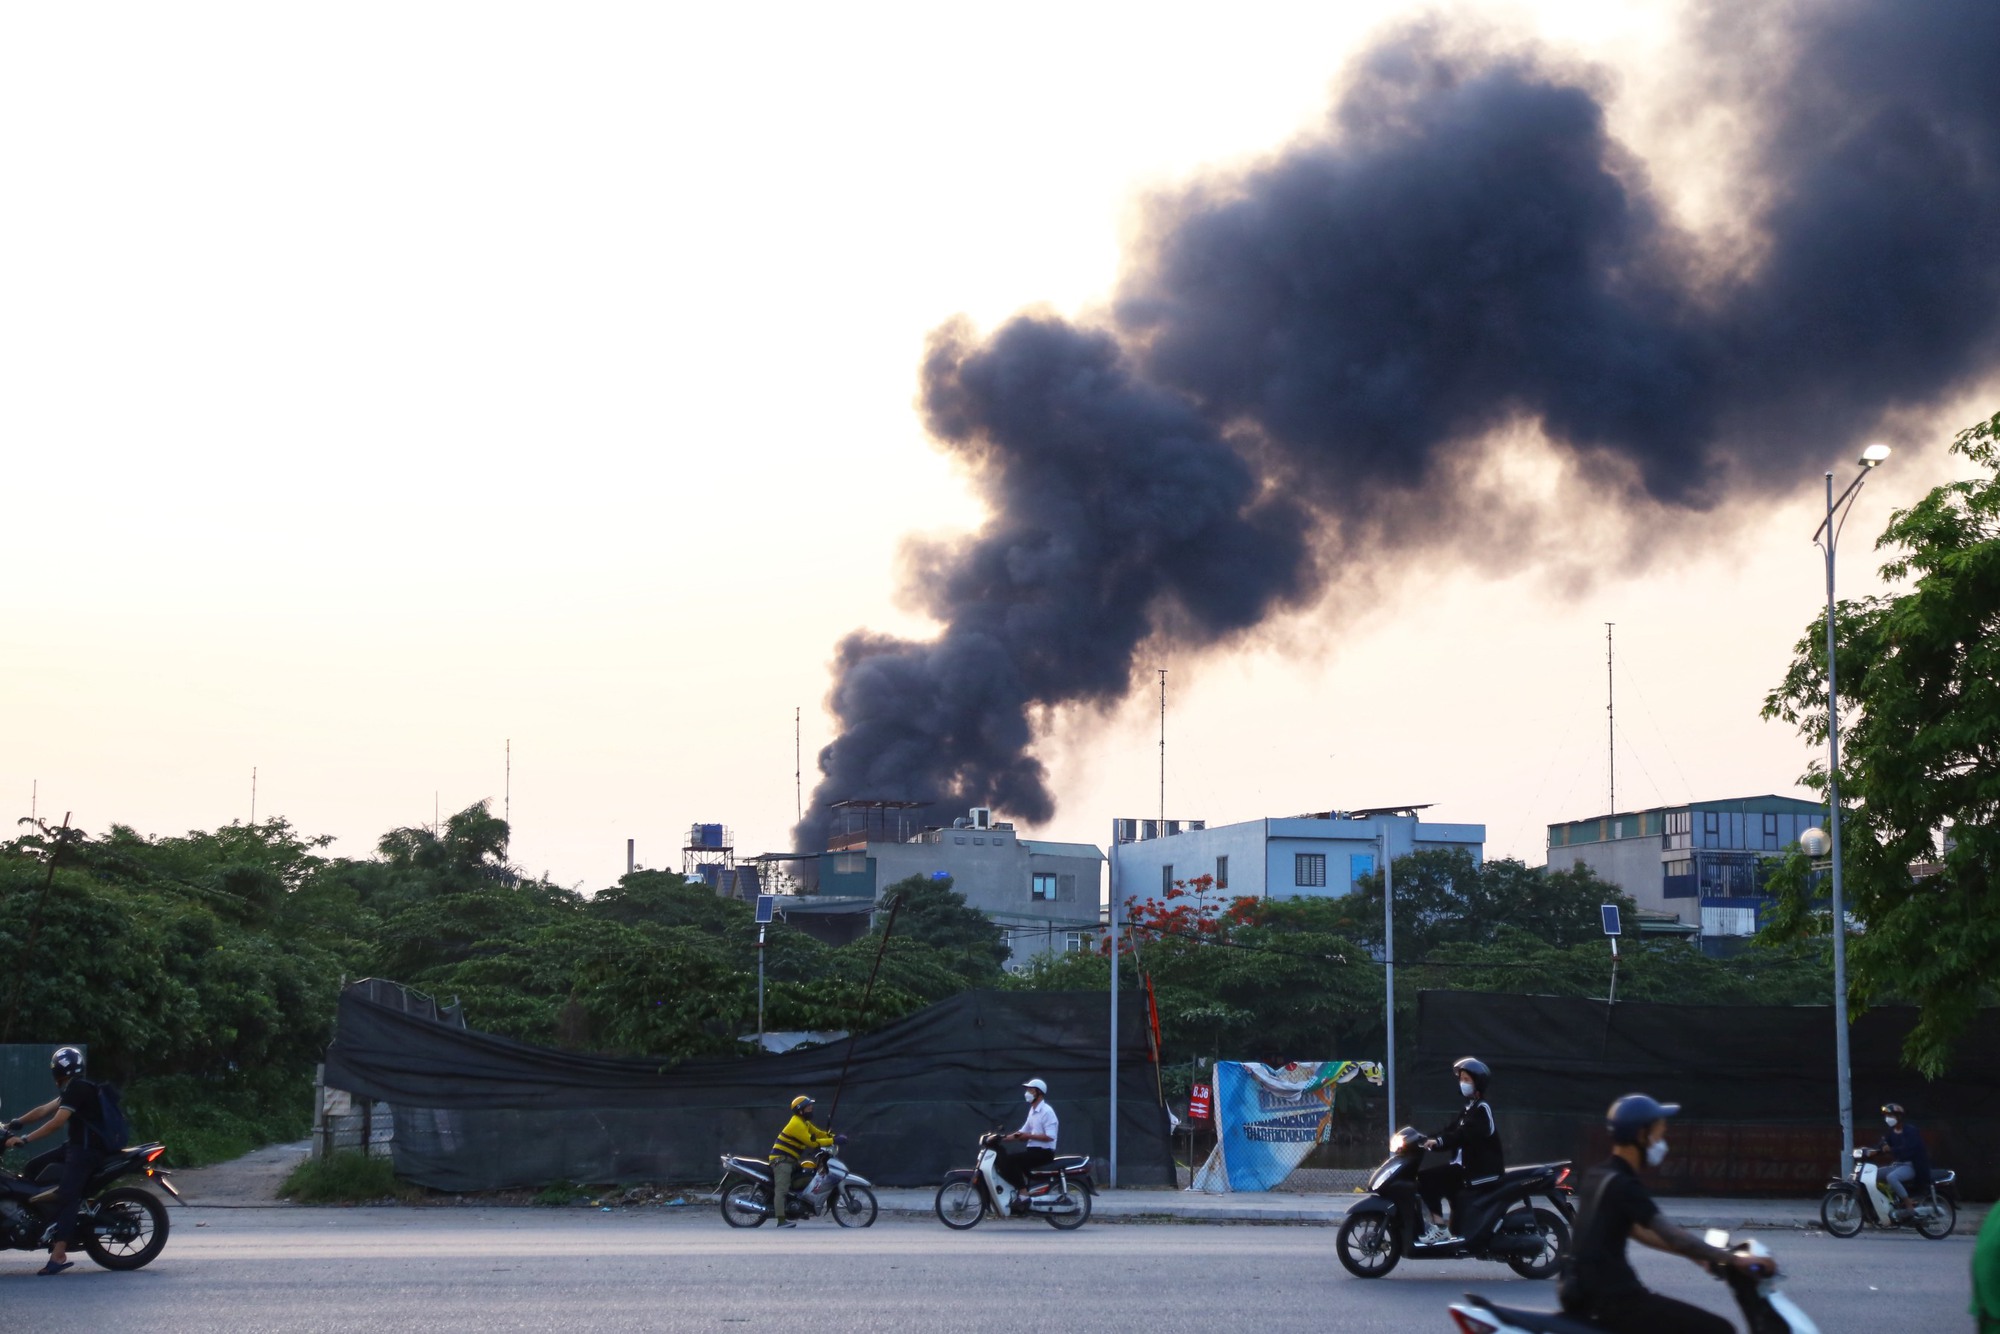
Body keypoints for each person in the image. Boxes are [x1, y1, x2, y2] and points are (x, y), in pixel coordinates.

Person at [1559, 1094, 1773, 1334]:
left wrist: (1701, 1256)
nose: (1662, 1142)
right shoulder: (1625, 1185)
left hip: (1583, 1294)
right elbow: (1672, 1235)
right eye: (1659, 1134)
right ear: (1642, 1135)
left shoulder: (1599, 1175)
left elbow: (1640, 1231)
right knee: (1719, 1329)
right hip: (1615, 1300)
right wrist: (1735, 1259)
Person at [2, 1047, 106, 1276]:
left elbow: (56, 1122)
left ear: (57, 1071)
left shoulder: (78, 1089)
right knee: (32, 1168)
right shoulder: (73, 1088)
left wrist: (25, 1139)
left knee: (68, 1195)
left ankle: (58, 1253)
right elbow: (42, 1111)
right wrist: (13, 1124)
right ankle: (39, 1217)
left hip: (88, 1152)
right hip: (76, 1147)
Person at [1417, 1056, 1502, 1244]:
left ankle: (1439, 1228)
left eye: (1466, 1080)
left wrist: (1438, 1141)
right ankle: (1447, 1228)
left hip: (1478, 1171)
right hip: (1463, 1168)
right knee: (1439, 1184)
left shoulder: (1482, 1109)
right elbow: (1450, 1130)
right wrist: (1423, 1139)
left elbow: (1462, 1135)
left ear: (1477, 1083)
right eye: (1461, 1079)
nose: (1462, 1083)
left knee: (1425, 1179)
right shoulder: (1468, 1109)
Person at [767, 1095, 836, 1228]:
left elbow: (818, 1133)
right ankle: (781, 1221)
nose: (811, 1109)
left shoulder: (804, 1122)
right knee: (782, 1189)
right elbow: (811, 1142)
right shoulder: (796, 1124)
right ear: (800, 1110)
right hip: (781, 1161)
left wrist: (832, 1136)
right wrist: (833, 1141)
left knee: (808, 1175)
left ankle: (800, 1208)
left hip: (791, 1160)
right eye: (809, 1107)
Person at [997, 1078, 1058, 1208]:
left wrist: (1028, 1136)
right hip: (1033, 1151)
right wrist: (1001, 1138)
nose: (1027, 1093)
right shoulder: (1033, 1111)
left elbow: (1050, 1136)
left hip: (1044, 1153)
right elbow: (1022, 1132)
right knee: (1005, 1161)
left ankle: (1023, 1194)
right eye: (1027, 1090)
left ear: (1039, 1093)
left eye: (1031, 1090)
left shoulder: (1047, 1111)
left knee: (1011, 1161)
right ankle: (1021, 1191)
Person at [1877, 1103, 1931, 1221]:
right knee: (1874, 1174)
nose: (1888, 1118)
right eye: (1887, 1115)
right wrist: (1879, 1148)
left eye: (1891, 1115)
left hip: (1912, 1165)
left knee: (1892, 1177)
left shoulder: (1911, 1131)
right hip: (1898, 1165)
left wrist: (1891, 1149)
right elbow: (1883, 1143)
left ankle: (1909, 1205)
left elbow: (1909, 1148)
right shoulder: (1891, 1132)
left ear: (1899, 1117)